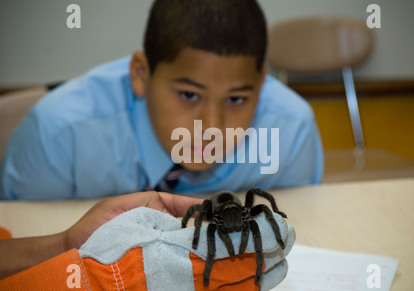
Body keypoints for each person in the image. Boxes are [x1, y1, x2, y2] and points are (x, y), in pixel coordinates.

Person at [0, 0, 323, 200]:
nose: (212, 127)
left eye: (236, 99)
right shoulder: (59, 133)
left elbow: (296, 236)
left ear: (261, 82)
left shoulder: (290, 131)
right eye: (189, 94)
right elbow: (24, 252)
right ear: (140, 73)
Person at [0, 191, 295, 291]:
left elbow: (261, 204)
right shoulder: (206, 215)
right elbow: (196, 220)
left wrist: (63, 245)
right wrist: (93, 286)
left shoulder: (249, 208)